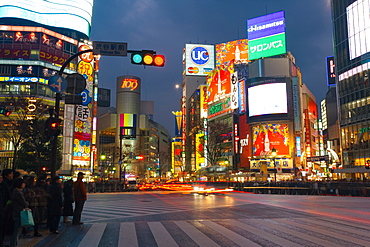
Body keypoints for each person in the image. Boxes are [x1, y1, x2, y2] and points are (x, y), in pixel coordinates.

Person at [10, 179, 29, 247]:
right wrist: (27, 203)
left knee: (17, 230)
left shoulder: (15, 191)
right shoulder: (18, 192)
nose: (24, 185)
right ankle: (13, 244)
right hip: (19, 213)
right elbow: (24, 203)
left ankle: (14, 244)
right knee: (17, 230)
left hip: (17, 212)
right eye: (23, 183)